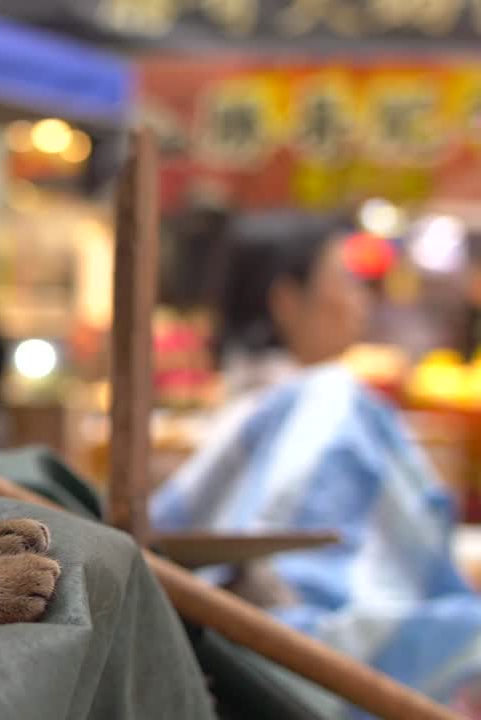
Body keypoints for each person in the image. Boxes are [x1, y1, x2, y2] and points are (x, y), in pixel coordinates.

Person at [150, 211, 481, 715]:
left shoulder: (236, 410)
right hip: (300, 674)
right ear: (287, 300)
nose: (361, 298)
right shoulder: (329, 400)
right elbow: (311, 586)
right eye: (345, 278)